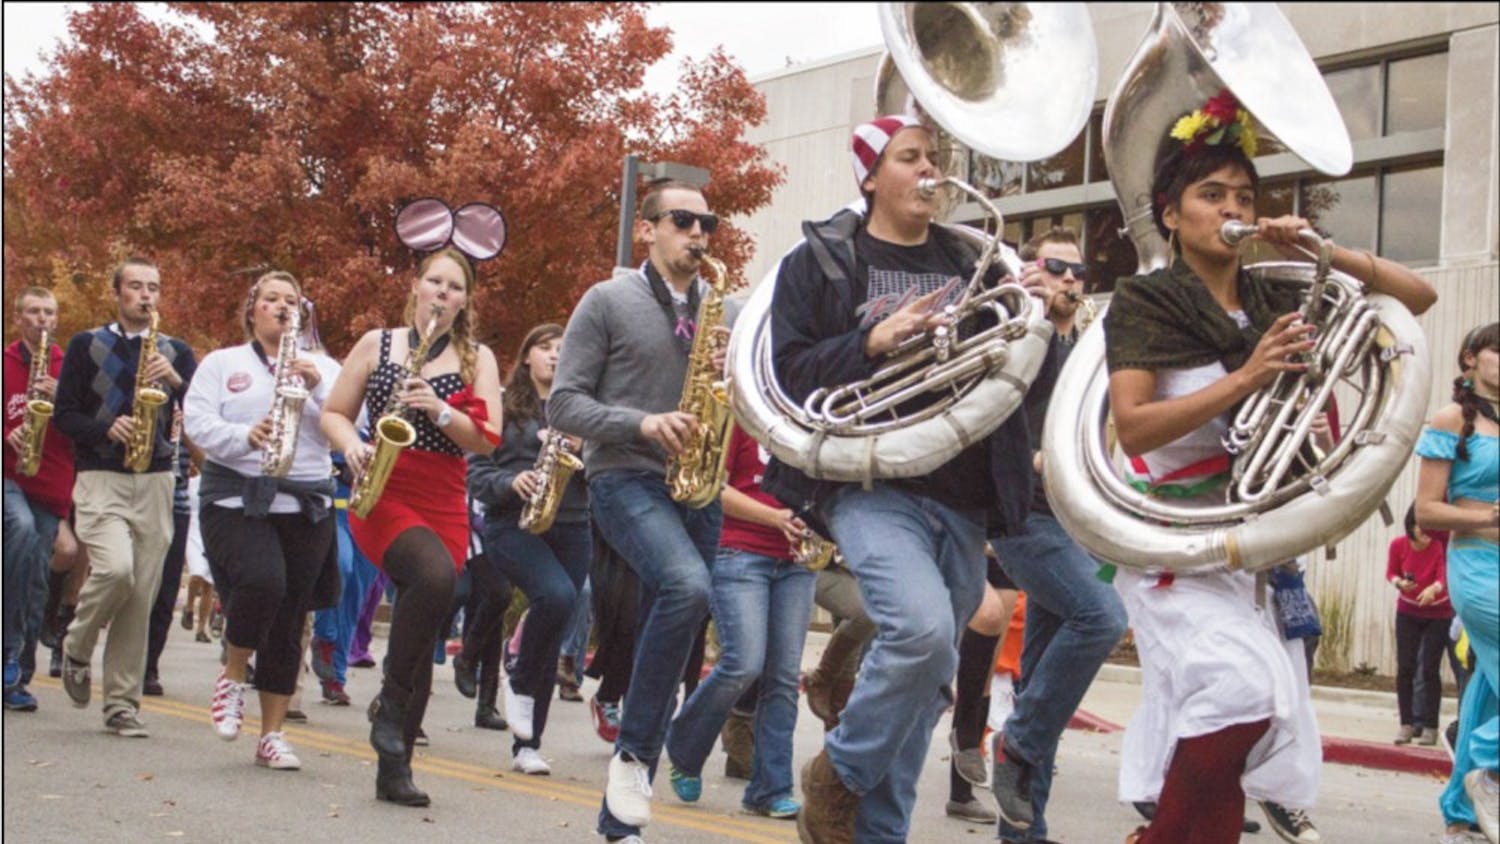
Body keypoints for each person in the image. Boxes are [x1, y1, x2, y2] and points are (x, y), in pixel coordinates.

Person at [1102, 92, 1435, 844]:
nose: (1230, 207)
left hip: (1256, 544)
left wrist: (1319, 248)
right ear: (1172, 213)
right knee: (1239, 694)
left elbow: (1418, 297)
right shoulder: (1144, 299)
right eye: (1211, 194)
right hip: (1175, 537)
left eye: (1244, 196)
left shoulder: (1272, 286)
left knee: (1251, 727)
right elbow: (1133, 427)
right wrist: (1249, 378)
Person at [760, 114, 1038, 844]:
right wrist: (870, 342)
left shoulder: (972, 258)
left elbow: (1005, 365)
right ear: (871, 175)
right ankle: (839, 774)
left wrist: (1029, 307)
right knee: (918, 634)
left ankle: (878, 835)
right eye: (910, 158)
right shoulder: (821, 260)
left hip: (962, 490)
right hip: (870, 484)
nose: (929, 171)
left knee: (928, 680)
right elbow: (787, 372)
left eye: (934, 158)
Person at [549, 178, 727, 841]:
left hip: (697, 484)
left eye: (706, 222)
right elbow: (562, 405)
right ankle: (633, 751)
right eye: (683, 220)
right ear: (646, 230)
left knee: (677, 612)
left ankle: (619, 816)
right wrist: (643, 422)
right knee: (685, 585)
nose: (698, 233)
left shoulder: (719, 304)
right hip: (625, 475)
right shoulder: (607, 300)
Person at [321, 247, 501, 806]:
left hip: (442, 496)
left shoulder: (478, 359)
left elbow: (487, 438)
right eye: (435, 282)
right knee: (433, 578)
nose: (443, 293)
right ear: (417, 287)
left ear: (464, 301)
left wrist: (440, 410)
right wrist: (351, 446)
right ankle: (392, 706)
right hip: (383, 488)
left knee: (421, 633)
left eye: (454, 287)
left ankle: (394, 769)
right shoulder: (378, 343)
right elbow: (333, 413)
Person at [987, 227, 1129, 843]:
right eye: (1057, 267)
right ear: (1032, 271)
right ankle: (1013, 745)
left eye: (1079, 272)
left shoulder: (1091, 347)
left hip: (1076, 522)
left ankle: (1023, 831)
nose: (1070, 279)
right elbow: (989, 419)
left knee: (1041, 677)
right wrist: (1041, 457)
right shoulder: (1016, 335)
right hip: (1023, 516)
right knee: (1101, 618)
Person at [182, 271, 343, 769]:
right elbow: (197, 421)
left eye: (291, 301)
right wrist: (243, 435)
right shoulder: (222, 363)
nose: (281, 307)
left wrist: (317, 390)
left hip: (304, 502)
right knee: (262, 581)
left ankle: (271, 734)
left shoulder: (324, 366)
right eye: (271, 299)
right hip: (238, 496)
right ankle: (232, 674)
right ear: (253, 309)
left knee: (291, 616)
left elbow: (349, 424)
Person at [54, 257, 197, 737]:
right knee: (115, 570)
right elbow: (64, 415)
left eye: (153, 287)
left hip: (156, 479)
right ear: (117, 293)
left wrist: (176, 382)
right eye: (136, 287)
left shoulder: (176, 352)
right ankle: (76, 641)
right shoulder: (86, 344)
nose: (146, 295)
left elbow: (200, 415)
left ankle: (120, 705)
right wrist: (104, 427)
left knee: (140, 596)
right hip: (101, 475)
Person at [663, 424, 818, 819]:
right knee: (744, 662)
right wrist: (774, 517)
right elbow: (713, 487)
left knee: (783, 678)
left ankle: (770, 790)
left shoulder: (812, 420)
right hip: (739, 552)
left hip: (798, 561)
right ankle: (684, 742)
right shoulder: (740, 417)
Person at [467, 322, 591, 775]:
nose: (556, 356)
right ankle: (517, 673)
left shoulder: (580, 408)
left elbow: (607, 470)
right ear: (526, 357)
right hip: (513, 523)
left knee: (555, 622)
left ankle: (527, 745)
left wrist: (587, 450)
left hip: (574, 522)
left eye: (563, 349)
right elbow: (476, 472)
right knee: (556, 596)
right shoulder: (501, 404)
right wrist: (510, 480)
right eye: (545, 348)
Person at [1416, 321, 1498, 844]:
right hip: (1477, 567)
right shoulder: (1453, 420)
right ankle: (1490, 768)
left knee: (1486, 694)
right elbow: (1427, 511)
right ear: (1471, 359)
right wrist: (1489, 517)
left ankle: (1462, 815)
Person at [4, 286, 74, 712]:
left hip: (51, 483)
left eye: (49, 312)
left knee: (35, 577)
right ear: (19, 318)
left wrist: (61, 399)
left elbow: (87, 426)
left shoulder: (69, 367)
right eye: (34, 311)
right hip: (8, 475)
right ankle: (10, 653)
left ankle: (18, 675)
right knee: (22, 530)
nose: (42, 319)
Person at [1388, 503, 1453, 746]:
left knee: (1429, 669)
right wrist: (1399, 583)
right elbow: (1391, 572)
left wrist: (1434, 589)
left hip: (1439, 612)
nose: (1426, 534)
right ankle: (1406, 724)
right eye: (1421, 528)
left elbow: (1442, 575)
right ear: (1410, 526)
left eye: (1430, 530)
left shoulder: (1438, 546)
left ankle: (1430, 726)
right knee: (1405, 667)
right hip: (1407, 610)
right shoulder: (1398, 545)